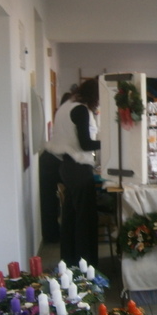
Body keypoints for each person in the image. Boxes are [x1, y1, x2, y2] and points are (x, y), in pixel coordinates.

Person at [49, 79, 101, 267]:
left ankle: (70, 262)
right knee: (85, 220)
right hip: (78, 169)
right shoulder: (80, 110)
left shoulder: (66, 106)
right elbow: (85, 144)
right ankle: (86, 264)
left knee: (70, 219)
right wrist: (109, 142)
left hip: (67, 167)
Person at [39, 91, 75, 243]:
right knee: (49, 202)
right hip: (51, 161)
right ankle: (52, 235)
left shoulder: (62, 118)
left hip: (50, 159)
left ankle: (53, 234)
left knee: (50, 201)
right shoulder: (67, 120)